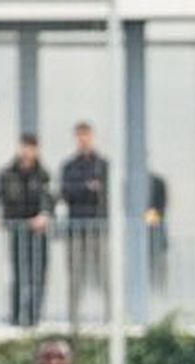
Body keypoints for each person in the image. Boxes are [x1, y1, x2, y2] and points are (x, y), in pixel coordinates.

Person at [0, 134, 53, 327]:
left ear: (37, 150)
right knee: (19, 275)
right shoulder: (7, 173)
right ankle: (16, 317)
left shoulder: (43, 175)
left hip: (38, 234)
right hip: (16, 231)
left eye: (31, 148)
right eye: (25, 147)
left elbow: (50, 199)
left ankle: (34, 318)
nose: (27, 152)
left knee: (38, 275)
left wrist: (44, 214)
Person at [60, 122, 108, 327]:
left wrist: (84, 189)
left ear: (92, 137)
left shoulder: (103, 165)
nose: (83, 140)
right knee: (75, 276)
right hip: (76, 230)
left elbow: (107, 193)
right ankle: (74, 321)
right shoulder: (69, 167)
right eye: (79, 136)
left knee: (104, 274)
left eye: (86, 135)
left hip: (99, 228)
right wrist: (88, 188)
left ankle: (110, 318)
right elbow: (66, 193)